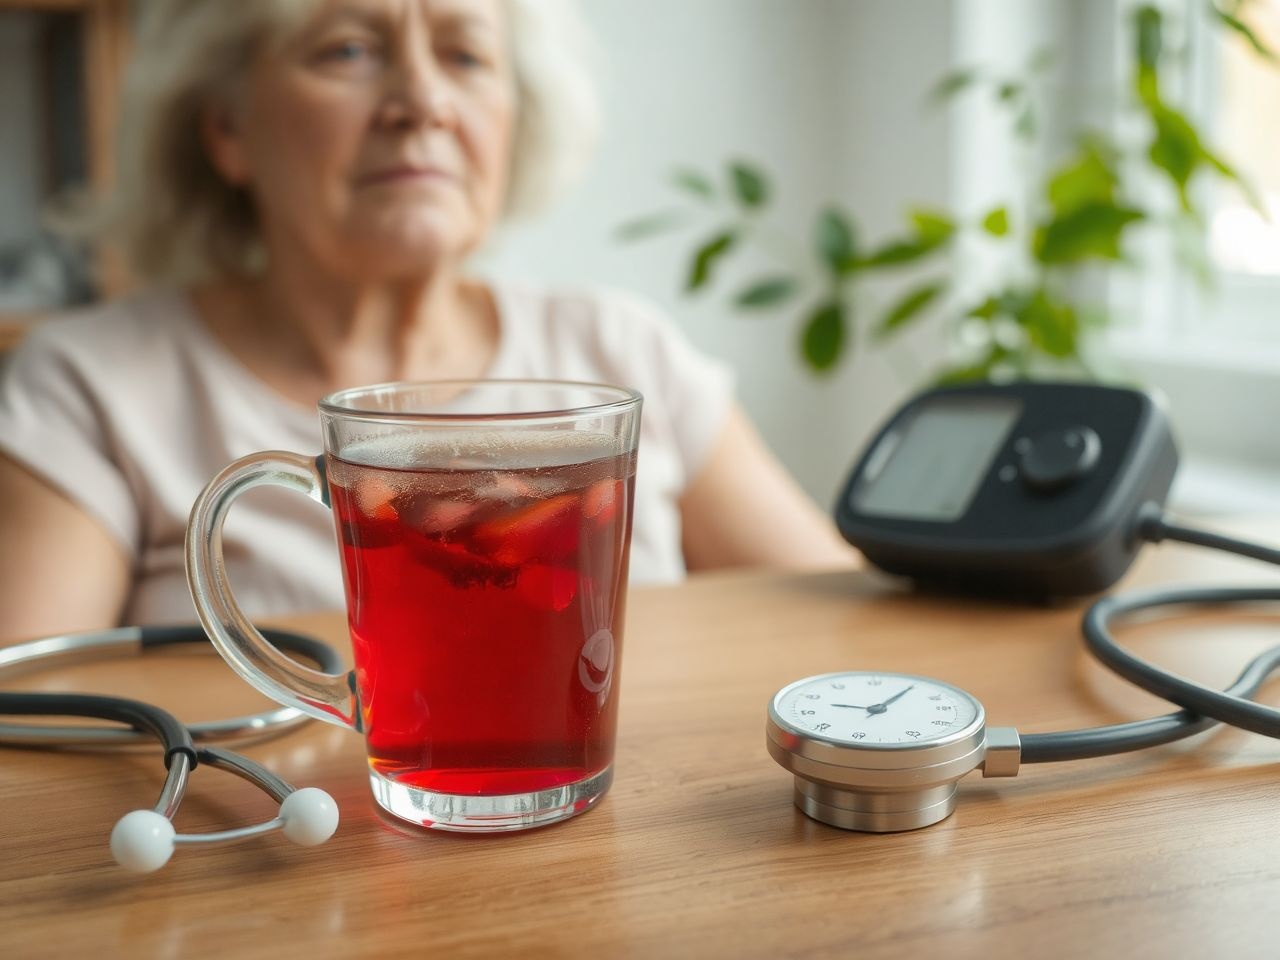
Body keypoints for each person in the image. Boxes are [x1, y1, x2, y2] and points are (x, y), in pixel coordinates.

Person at [0, 0, 856, 646]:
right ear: (228, 128)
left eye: (466, 55)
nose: (422, 101)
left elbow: (853, 628)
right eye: (348, 49)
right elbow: (28, 717)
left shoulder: (622, 349)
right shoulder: (93, 383)